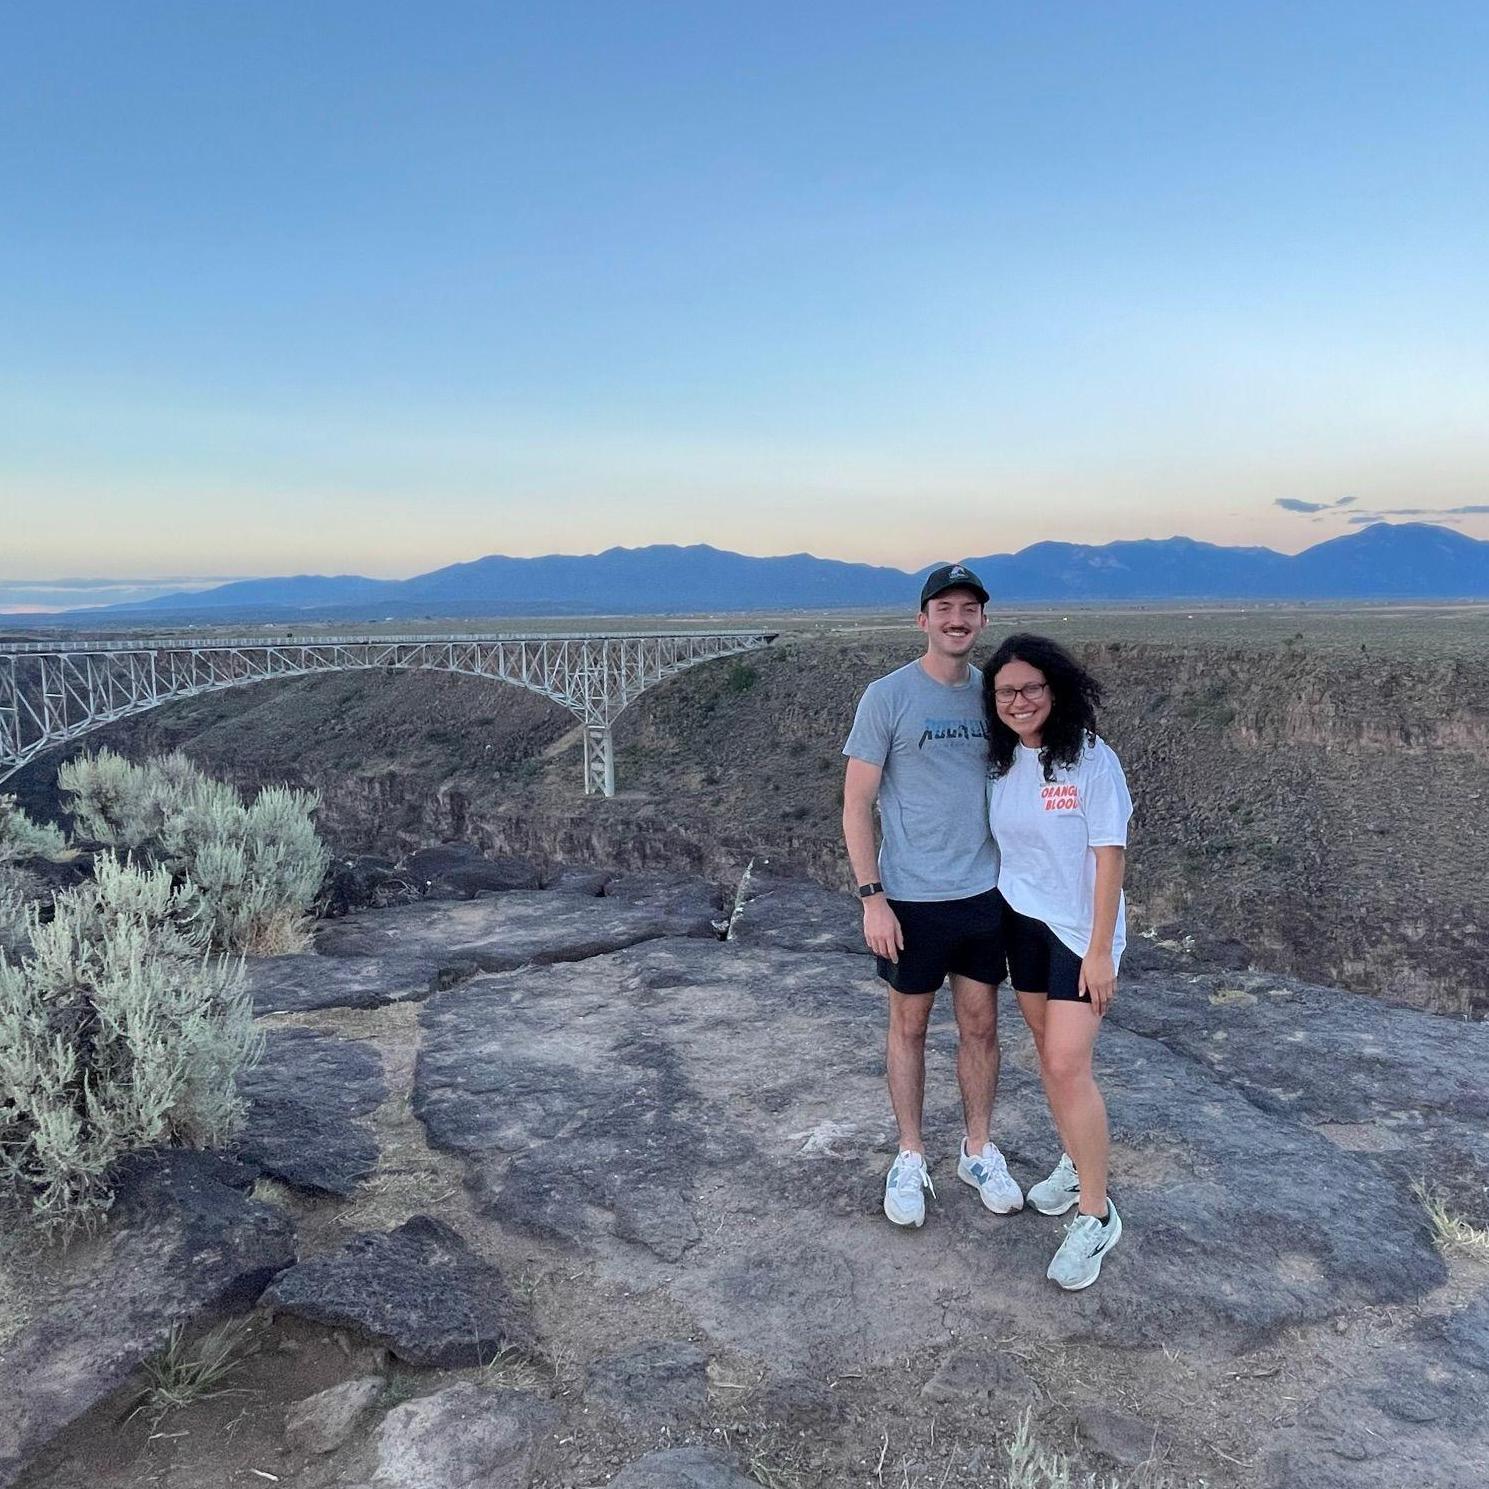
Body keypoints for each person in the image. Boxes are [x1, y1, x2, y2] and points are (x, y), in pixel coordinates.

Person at [842, 564, 1023, 1229]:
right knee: (909, 1027)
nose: (956, 619)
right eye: (944, 608)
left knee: (981, 1025)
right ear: (922, 620)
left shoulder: (993, 696)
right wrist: (872, 898)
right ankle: (910, 1153)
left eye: (968, 608)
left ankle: (977, 1150)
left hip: (982, 893)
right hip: (911, 899)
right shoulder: (886, 696)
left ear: (982, 620)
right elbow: (855, 803)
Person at [983, 633, 1132, 1289]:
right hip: (1022, 923)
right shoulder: (1001, 760)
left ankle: (1096, 1215)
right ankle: (1075, 1161)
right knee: (1049, 1056)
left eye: (1030, 688)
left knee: (1069, 1063)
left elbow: (1109, 855)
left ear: (1055, 689)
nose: (1019, 701)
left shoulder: (1092, 759)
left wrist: (1099, 951)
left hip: (1077, 933)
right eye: (1005, 692)